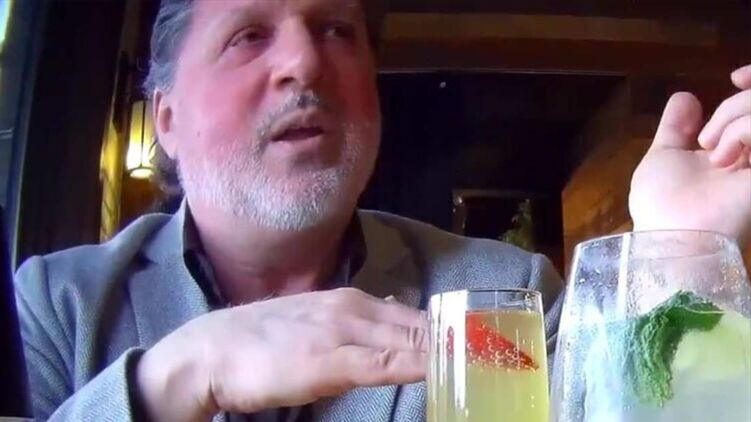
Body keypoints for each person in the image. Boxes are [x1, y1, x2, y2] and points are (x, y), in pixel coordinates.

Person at [14, 0, 751, 421]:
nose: (305, 63)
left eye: (336, 30)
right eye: (248, 35)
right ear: (167, 119)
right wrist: (174, 379)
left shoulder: (510, 294)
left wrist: (681, 249)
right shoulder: (54, 306)